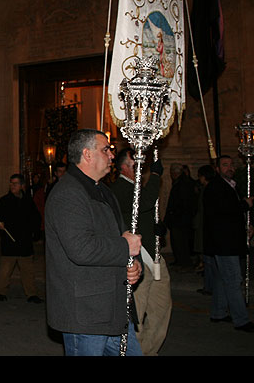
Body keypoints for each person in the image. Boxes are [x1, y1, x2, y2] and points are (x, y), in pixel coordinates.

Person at [45, 129, 143, 356]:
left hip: (113, 307)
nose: (111, 155)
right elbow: (81, 248)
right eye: (106, 149)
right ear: (87, 154)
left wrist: (134, 265)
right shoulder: (68, 194)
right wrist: (124, 247)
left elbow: (122, 236)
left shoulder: (103, 191)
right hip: (87, 313)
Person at [109, 148, 171, 356]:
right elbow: (143, 203)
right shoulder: (119, 188)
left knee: (160, 308)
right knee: (139, 310)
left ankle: (147, 351)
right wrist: (155, 176)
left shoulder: (136, 186)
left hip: (153, 254)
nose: (141, 166)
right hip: (138, 258)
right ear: (124, 167)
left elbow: (146, 211)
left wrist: (157, 226)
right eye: (136, 162)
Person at [203, 155, 254, 332]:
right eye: (225, 165)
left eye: (231, 164)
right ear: (217, 169)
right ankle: (241, 320)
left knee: (222, 279)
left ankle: (218, 312)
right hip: (224, 243)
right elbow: (223, 212)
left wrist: (246, 226)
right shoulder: (216, 187)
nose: (230, 168)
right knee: (233, 280)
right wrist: (244, 204)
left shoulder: (230, 185)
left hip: (228, 241)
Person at [0, 173, 43, 303]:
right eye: (11, 183)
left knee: (28, 270)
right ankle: (1, 291)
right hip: (9, 242)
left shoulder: (28, 201)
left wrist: (34, 232)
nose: (12, 186)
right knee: (5, 270)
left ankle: (31, 294)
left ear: (22, 186)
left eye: (15, 183)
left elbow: (35, 218)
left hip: (24, 241)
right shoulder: (3, 201)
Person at [163, 163, 197, 267]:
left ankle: (183, 262)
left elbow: (181, 203)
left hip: (180, 219)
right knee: (179, 242)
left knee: (181, 242)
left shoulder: (182, 184)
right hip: (180, 219)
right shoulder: (181, 183)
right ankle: (180, 260)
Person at [193, 165, 216, 295]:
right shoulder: (205, 189)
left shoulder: (208, 190)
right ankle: (209, 285)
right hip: (205, 226)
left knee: (208, 260)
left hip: (206, 227)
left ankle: (210, 286)